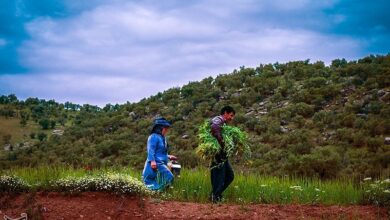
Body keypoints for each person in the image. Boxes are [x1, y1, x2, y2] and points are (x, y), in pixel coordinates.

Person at [142, 117, 177, 191]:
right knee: (168, 177)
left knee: (163, 179)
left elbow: (160, 152)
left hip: (161, 162)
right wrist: (152, 161)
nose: (166, 130)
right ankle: (158, 192)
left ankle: (159, 193)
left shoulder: (163, 138)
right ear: (160, 128)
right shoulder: (153, 136)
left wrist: (168, 156)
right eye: (165, 128)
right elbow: (150, 150)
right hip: (155, 162)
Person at [210, 106, 235, 203]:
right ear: (225, 113)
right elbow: (214, 127)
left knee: (229, 175)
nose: (231, 118)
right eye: (231, 115)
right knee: (219, 177)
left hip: (223, 155)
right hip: (218, 155)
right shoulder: (218, 120)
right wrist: (222, 142)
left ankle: (215, 194)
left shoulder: (223, 123)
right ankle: (215, 197)